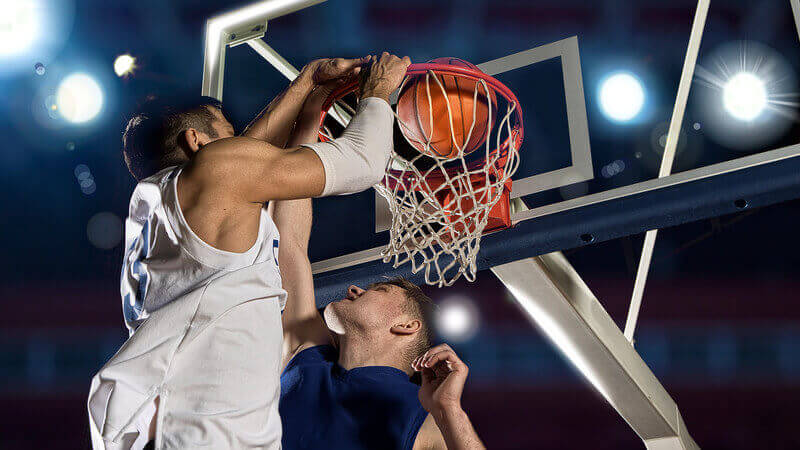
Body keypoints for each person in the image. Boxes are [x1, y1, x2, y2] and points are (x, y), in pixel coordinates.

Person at [87, 53, 411, 450]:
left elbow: (247, 154)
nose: (246, 148)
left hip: (163, 425)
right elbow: (363, 162)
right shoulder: (215, 172)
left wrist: (308, 85)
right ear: (197, 142)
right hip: (200, 433)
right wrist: (378, 92)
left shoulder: (155, 209)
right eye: (229, 133)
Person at [274, 78, 485, 449]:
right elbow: (289, 244)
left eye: (380, 289)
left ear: (406, 325)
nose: (354, 288)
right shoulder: (306, 360)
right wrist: (311, 113)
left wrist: (450, 410)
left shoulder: (421, 416)